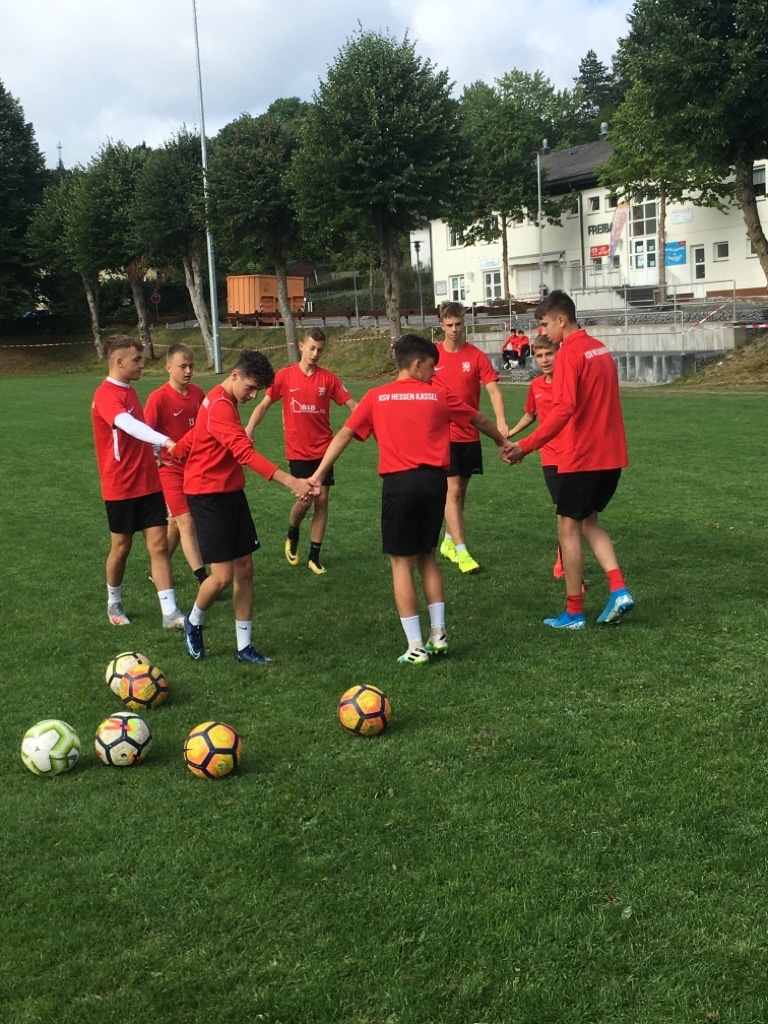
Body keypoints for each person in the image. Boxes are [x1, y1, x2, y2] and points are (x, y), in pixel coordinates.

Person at [306, 334, 515, 664]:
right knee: (427, 557)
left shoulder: (376, 397)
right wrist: (502, 443)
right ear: (417, 364)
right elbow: (478, 418)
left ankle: (415, 646)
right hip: (434, 484)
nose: (434, 374)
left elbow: (344, 434)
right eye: (432, 367)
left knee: (401, 563)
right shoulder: (438, 394)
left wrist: (318, 474)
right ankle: (439, 633)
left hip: (400, 485)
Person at [172, 349, 313, 664]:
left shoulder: (223, 399)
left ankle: (244, 646)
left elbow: (199, 433)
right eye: (250, 388)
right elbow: (244, 453)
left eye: (257, 391)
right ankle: (193, 622)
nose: (253, 396)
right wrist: (292, 482)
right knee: (222, 576)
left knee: (245, 570)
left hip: (231, 492)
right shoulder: (220, 405)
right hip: (207, 497)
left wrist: (177, 450)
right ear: (235, 375)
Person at [508, 290, 633, 629]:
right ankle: (619, 589)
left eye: (546, 324)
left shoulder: (569, 354)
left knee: (568, 529)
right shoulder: (600, 349)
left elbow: (563, 410)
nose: (544, 332)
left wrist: (525, 446)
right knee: (590, 523)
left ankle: (574, 613)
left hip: (583, 456)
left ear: (561, 320)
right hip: (611, 456)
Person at [90, 335, 185, 629]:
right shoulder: (106, 394)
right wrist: (166, 441)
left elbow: (140, 428)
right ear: (119, 362)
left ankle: (170, 613)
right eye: (137, 360)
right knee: (121, 548)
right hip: (120, 485)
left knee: (158, 545)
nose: (142, 364)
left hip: (149, 482)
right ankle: (114, 601)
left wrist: (155, 449)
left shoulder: (129, 390)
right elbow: (127, 425)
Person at [244, 327, 356, 575]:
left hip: (324, 450)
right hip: (298, 451)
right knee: (305, 500)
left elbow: (353, 406)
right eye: (312, 348)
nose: (315, 354)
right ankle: (293, 531)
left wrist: (374, 421)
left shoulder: (329, 379)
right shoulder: (284, 376)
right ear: (302, 346)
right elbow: (264, 405)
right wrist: (250, 428)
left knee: (322, 500)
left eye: (320, 350)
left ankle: (314, 556)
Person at [434, 300, 510, 574]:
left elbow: (493, 391)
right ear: (441, 326)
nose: (454, 329)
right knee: (452, 491)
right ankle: (463, 552)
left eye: (458, 324)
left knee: (460, 492)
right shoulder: (432, 356)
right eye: (449, 325)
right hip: (442, 436)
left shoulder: (476, 356)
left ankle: (448, 541)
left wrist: (500, 421)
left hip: (469, 435)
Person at [144, 344, 208, 585]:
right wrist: (155, 456)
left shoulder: (198, 393)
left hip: (195, 468)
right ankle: (203, 578)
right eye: (183, 366)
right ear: (169, 368)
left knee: (174, 523)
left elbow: (206, 426)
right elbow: (144, 433)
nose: (188, 371)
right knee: (186, 521)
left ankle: (158, 567)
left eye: (191, 366)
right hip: (169, 470)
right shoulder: (158, 398)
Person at [506, 330, 564, 577]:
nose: (544, 360)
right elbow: (531, 415)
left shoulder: (568, 384)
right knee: (564, 512)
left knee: (576, 515)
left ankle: (566, 559)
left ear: (559, 354)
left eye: (549, 354)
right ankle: (564, 560)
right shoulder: (536, 385)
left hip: (575, 454)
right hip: (550, 457)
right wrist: (510, 433)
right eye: (539, 356)